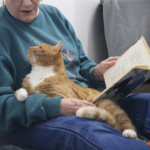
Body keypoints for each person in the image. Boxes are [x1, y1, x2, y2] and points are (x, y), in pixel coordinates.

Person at [0, 0, 150, 150]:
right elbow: (3, 106)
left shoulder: (54, 15)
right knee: (90, 131)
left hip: (86, 98)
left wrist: (94, 72)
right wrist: (56, 106)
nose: (27, 3)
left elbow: (80, 61)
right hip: (34, 117)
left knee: (145, 102)